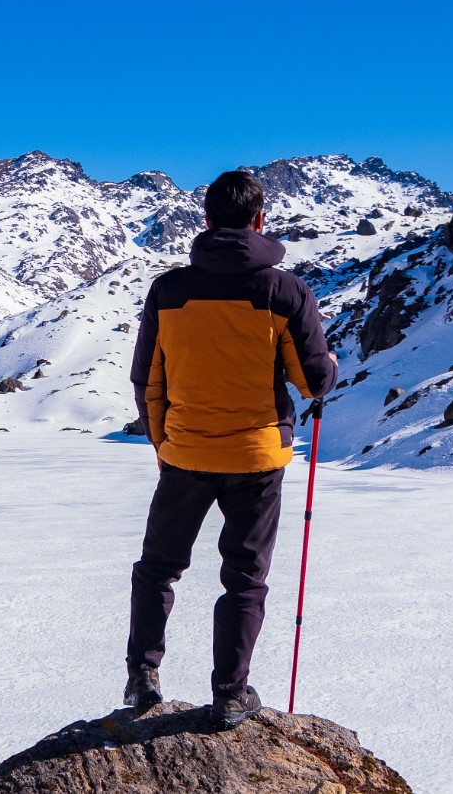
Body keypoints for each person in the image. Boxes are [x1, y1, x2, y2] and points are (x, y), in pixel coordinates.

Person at [125, 169, 338, 729]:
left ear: (207, 220)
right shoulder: (284, 291)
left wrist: (163, 442)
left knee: (157, 568)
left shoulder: (168, 290)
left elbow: (147, 378)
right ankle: (230, 694)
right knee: (244, 579)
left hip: (185, 453)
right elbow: (312, 381)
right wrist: (331, 367)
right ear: (260, 219)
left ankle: (142, 674)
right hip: (257, 458)